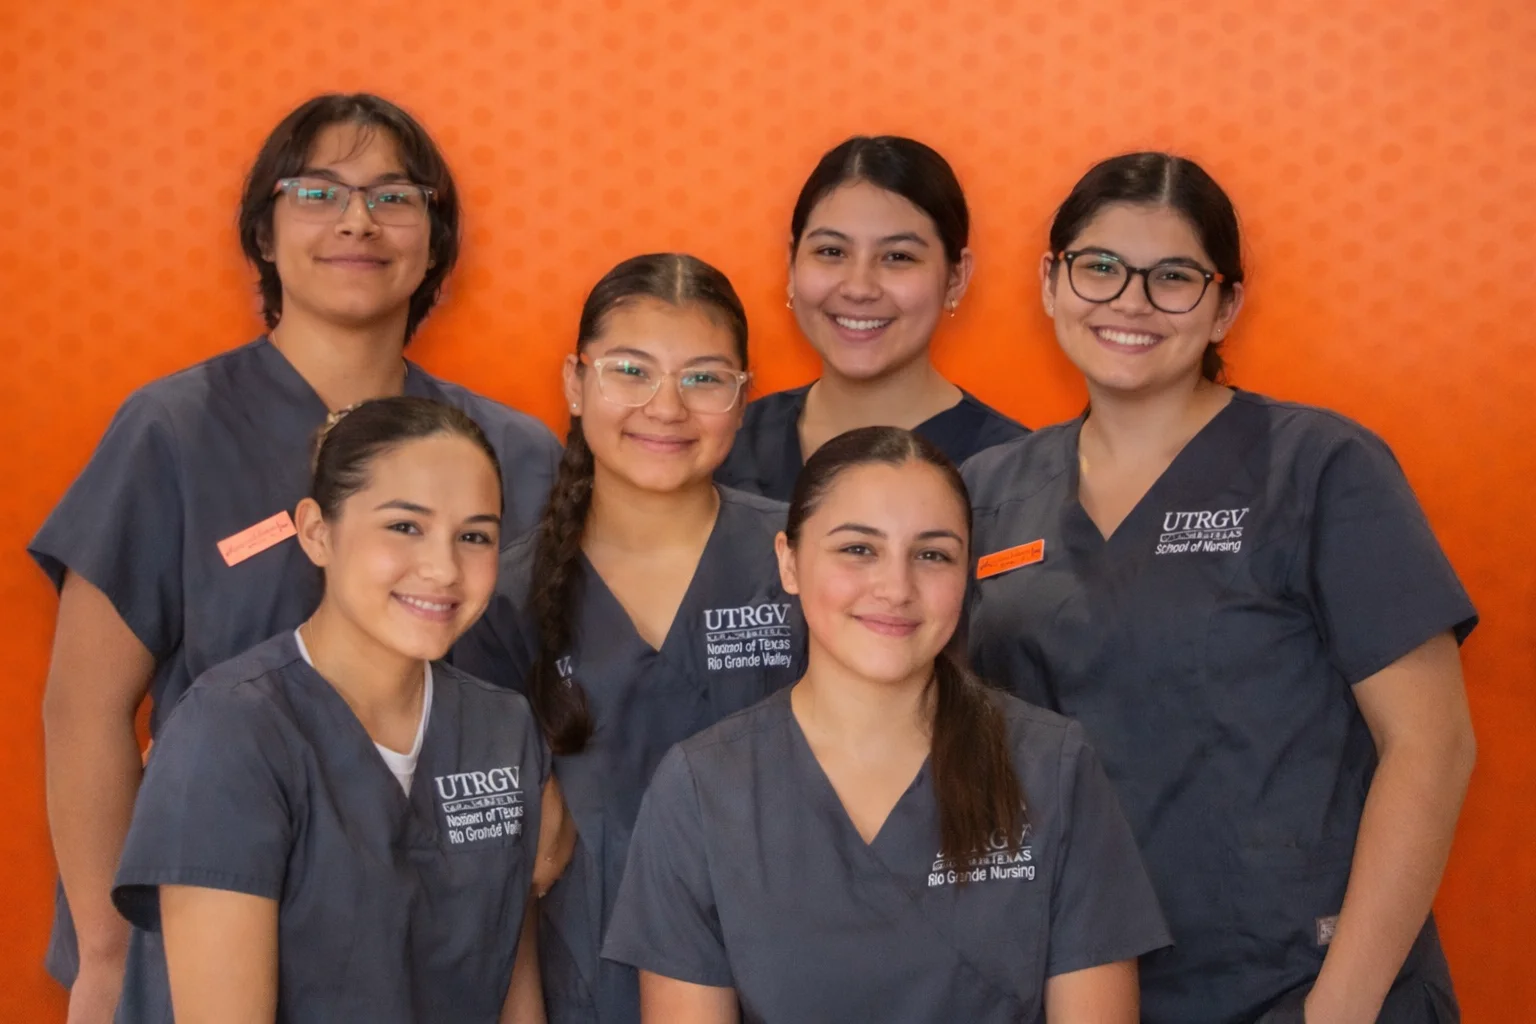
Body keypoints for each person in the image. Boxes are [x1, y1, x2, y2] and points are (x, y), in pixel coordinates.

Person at [30, 92, 561, 1022]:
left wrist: (543, 798)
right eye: (317, 192)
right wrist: (107, 954)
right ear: (264, 235)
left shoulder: (512, 452)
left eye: (396, 196)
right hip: (218, 916)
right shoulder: (175, 433)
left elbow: (540, 676)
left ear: (435, 240)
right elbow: (85, 707)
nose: (359, 220)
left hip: (444, 925)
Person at [962, 152, 1478, 1024]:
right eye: (1099, 268)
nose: (1130, 302)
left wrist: (1342, 1005)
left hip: (1297, 984)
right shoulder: (985, 491)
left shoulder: (1318, 468)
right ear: (1050, 283)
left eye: (1173, 277)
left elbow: (1433, 746)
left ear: (1226, 304)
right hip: (1078, 984)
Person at [603, 426, 1169, 1023]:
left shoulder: (1050, 767)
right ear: (788, 562)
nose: (896, 588)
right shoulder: (703, 788)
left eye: (932, 555)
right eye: (858, 549)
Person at [114, 397, 571, 1023]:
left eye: (474, 536)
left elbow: (509, 981)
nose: (442, 568)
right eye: (404, 526)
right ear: (316, 532)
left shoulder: (502, 730)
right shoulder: (229, 732)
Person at [453, 253, 807, 1024]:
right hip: (586, 988)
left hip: (800, 978)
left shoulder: (811, 563)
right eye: (631, 370)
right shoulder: (499, 600)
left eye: (705, 378)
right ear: (575, 385)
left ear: (745, 399)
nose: (667, 407)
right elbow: (493, 871)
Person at [715, 135, 1026, 501]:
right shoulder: (723, 444)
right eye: (831, 251)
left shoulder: (1014, 471)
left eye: (898, 257)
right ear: (791, 263)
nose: (859, 288)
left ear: (956, 277)